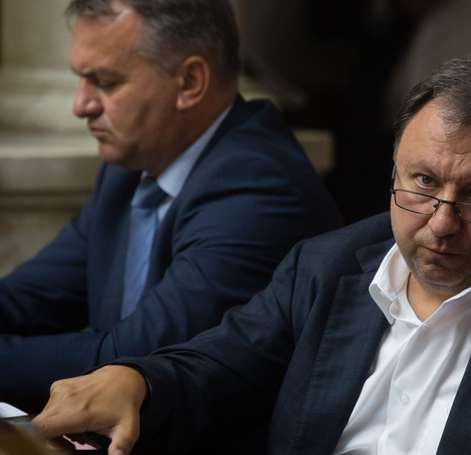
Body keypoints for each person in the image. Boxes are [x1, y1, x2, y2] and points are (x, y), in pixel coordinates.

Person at [34, 57, 471, 455]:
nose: (441, 223)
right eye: (422, 182)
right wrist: (139, 380)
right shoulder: (327, 265)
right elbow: (220, 366)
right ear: (393, 170)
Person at [0, 0, 342, 412]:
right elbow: (31, 297)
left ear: (190, 82)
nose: (81, 105)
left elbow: (128, 361)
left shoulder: (259, 189)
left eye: (105, 82)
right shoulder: (130, 168)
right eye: (81, 80)